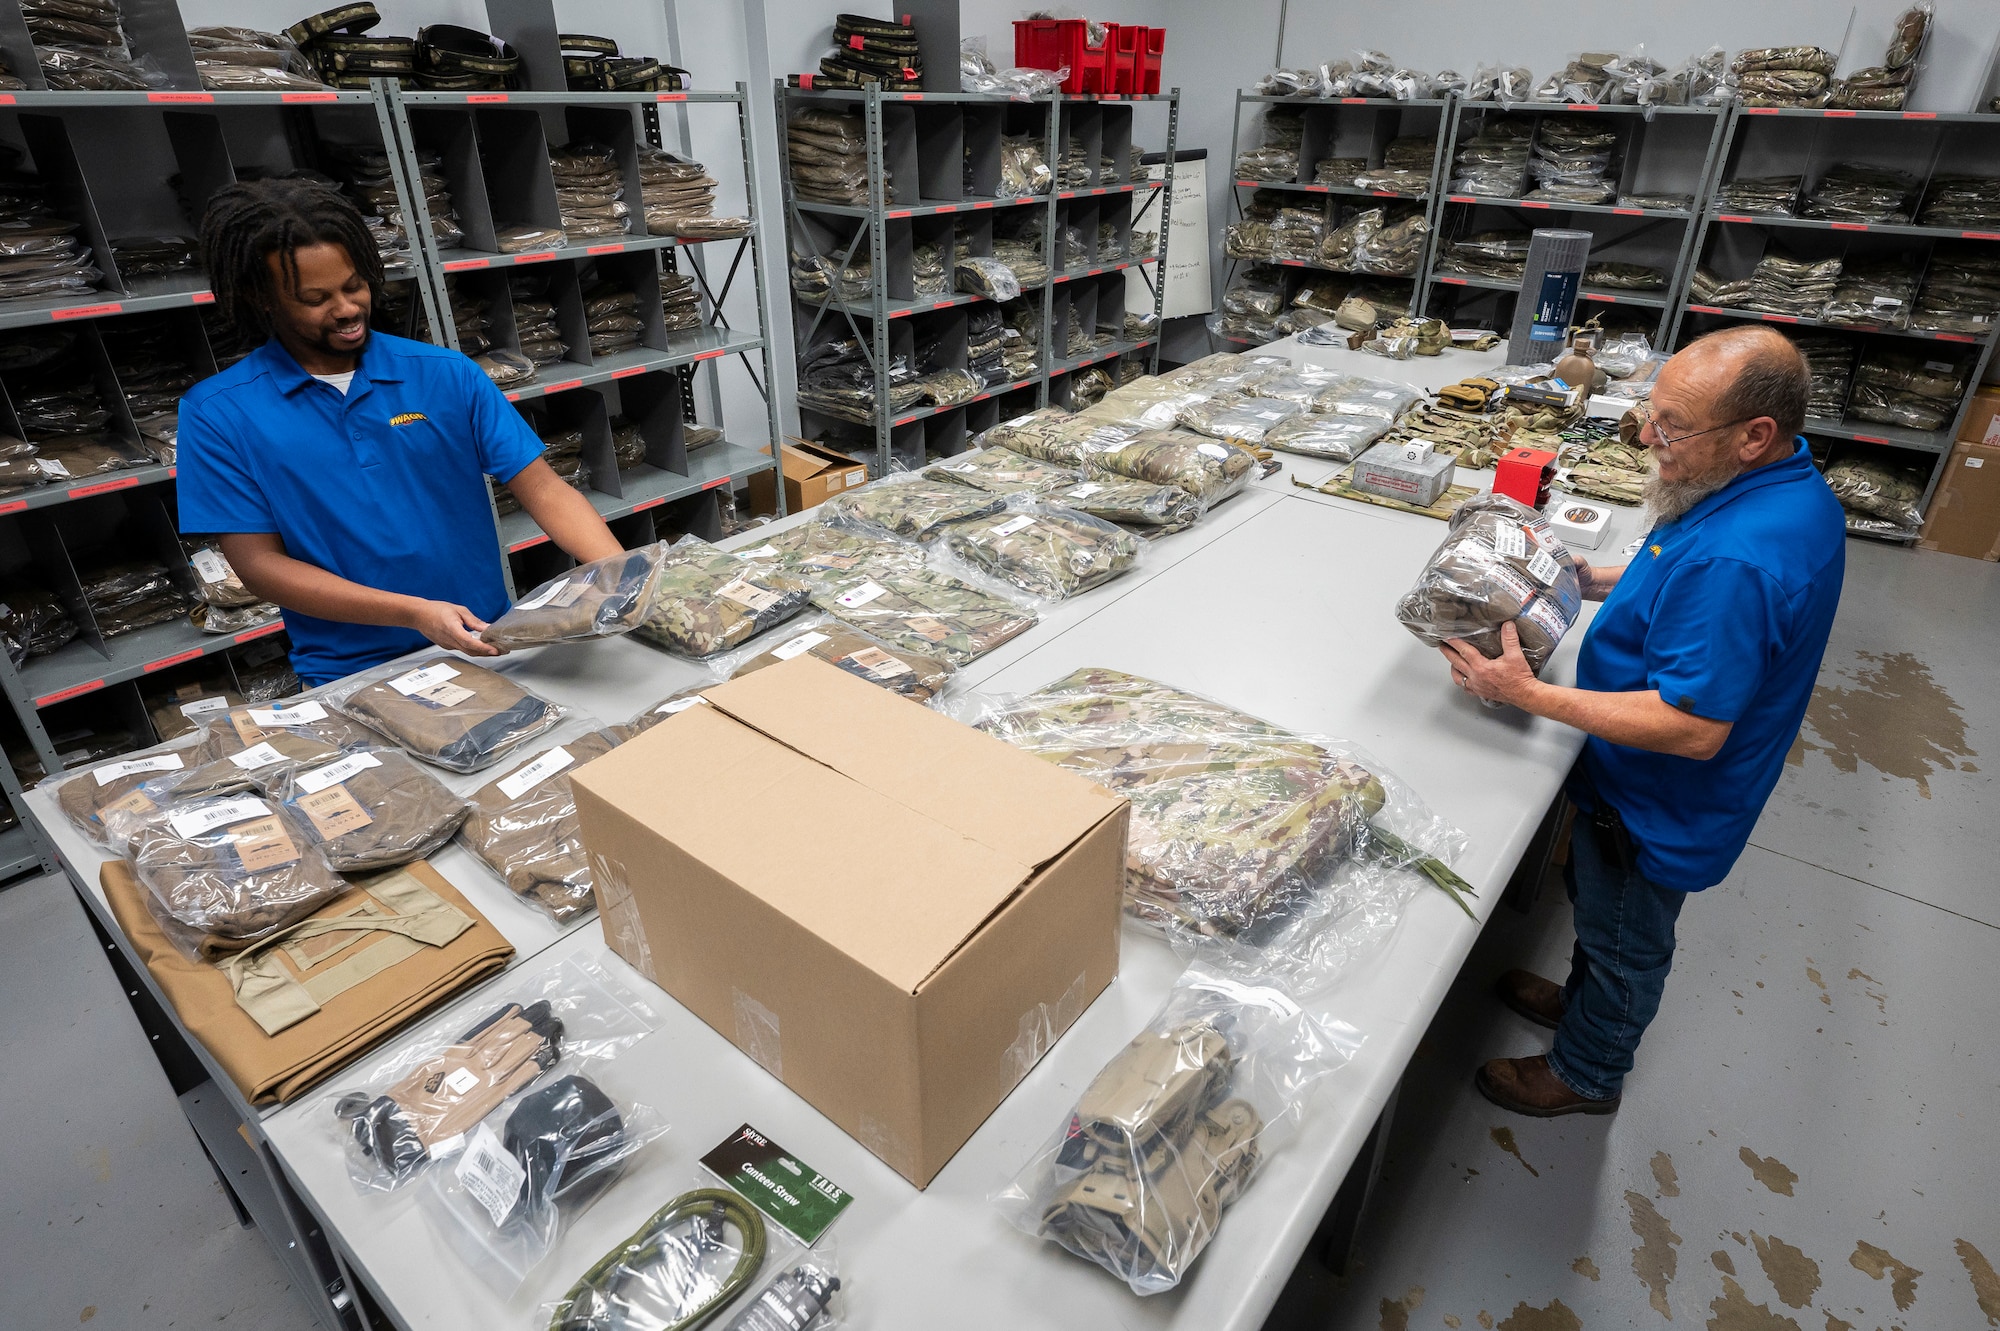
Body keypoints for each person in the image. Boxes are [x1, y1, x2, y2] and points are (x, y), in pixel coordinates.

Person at [1439, 325, 1845, 1118]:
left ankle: (1587, 1071)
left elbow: (1692, 726)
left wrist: (1522, 691)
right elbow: (1678, 558)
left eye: (1672, 428)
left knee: (1628, 938)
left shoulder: (1745, 557)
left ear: (1754, 435)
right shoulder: (1766, 486)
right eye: (1651, 415)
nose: (1649, 439)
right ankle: (1582, 996)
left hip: (1657, 805)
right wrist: (1593, 575)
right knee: (1603, 912)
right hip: (1643, 787)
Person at [177, 177, 623, 687]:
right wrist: (413, 612)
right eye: (315, 298)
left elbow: (543, 488)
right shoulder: (218, 414)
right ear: (262, 298)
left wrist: (620, 576)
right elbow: (258, 566)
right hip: (349, 672)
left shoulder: (444, 373)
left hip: (489, 643)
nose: (346, 309)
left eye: (353, 286)